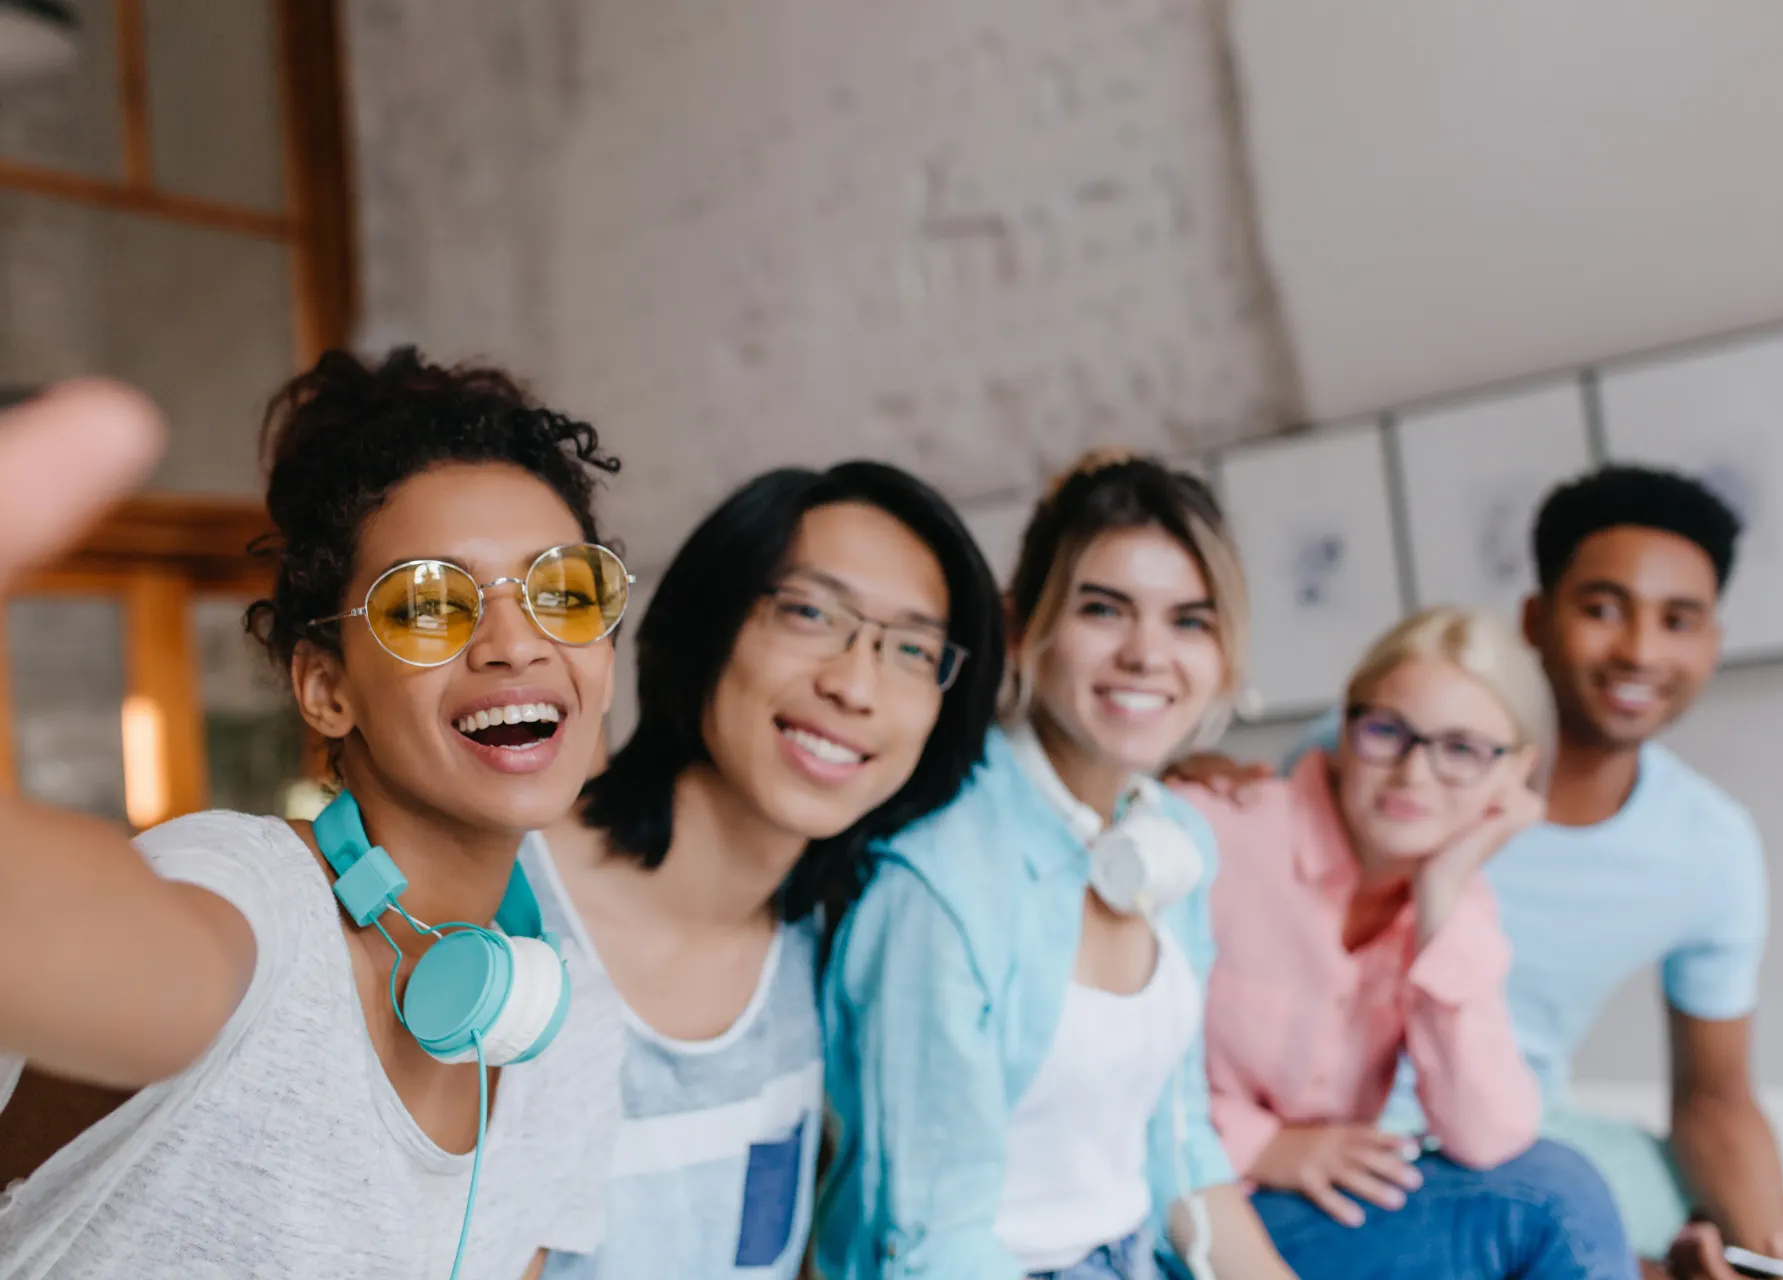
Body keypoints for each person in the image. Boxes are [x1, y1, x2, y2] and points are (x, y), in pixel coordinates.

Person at [1172, 465, 1783, 1280]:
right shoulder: (1381, 747)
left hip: (1517, 1110)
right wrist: (1191, 780)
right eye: (1602, 609)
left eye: (1678, 620)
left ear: (1712, 643)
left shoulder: (1710, 845)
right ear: (1537, 618)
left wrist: (1769, 1253)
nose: (1638, 649)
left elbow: (1715, 1094)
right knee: (1568, 1223)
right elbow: (1269, 891)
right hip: (1357, 1129)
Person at [0, 351, 635, 1279]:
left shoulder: (566, 1020)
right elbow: (132, 964)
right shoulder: (248, 893)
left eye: (564, 591)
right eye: (429, 605)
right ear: (326, 687)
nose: (513, 643)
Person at [816, 451, 1299, 1280]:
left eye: (1190, 620)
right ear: (1020, 627)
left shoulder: (1177, 836)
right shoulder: (936, 884)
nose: (1149, 654)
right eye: (1105, 609)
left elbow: (1179, 1144)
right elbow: (935, 1246)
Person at [518, 462, 1005, 1278]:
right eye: (810, 612)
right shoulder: (496, 900)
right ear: (706, 623)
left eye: (912, 650)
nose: (854, 684)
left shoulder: (842, 934)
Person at [1178, 605, 1636, 1279]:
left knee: (1553, 1191)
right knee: (1553, 1200)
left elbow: (1489, 1135)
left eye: (1462, 750)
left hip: (1296, 1219)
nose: (1414, 775)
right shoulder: (1219, 836)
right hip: (1176, 1203)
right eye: (1387, 732)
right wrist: (1264, 1143)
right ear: (1346, 724)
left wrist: (1445, 890)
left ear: (1516, 773)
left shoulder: (1450, 900)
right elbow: (1098, 1070)